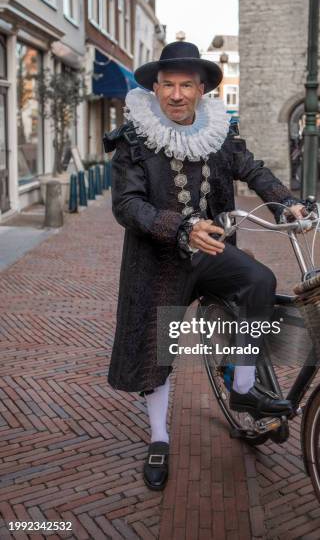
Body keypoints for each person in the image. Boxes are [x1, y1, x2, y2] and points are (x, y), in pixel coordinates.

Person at [102, 41, 307, 491]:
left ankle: (244, 383)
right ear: (155, 88)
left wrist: (286, 204)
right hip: (159, 261)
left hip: (209, 250)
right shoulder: (134, 141)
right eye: (168, 85)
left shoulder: (217, 132)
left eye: (186, 86)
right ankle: (159, 436)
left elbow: (251, 168)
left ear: (201, 90)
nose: (176, 95)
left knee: (259, 281)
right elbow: (128, 205)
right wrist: (180, 226)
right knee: (161, 346)